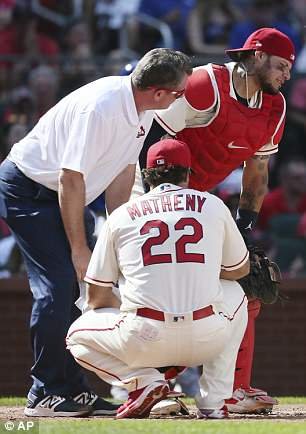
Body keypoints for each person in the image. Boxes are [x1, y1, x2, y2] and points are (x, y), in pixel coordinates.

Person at [0, 47, 192, 418]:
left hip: (66, 195)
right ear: (159, 92)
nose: (180, 98)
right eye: (179, 93)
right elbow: (69, 177)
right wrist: (79, 251)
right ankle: (45, 393)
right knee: (58, 288)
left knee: (88, 291)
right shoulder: (102, 107)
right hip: (30, 190)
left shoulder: (143, 110)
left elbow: (121, 176)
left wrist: (117, 242)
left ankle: (74, 389)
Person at [137, 27, 295, 414]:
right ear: (255, 55)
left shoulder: (275, 107)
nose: (286, 75)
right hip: (147, 193)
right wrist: (144, 204)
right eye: (280, 66)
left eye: (289, 69)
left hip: (200, 204)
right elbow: (149, 141)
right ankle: (145, 387)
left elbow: (257, 171)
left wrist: (243, 226)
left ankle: (234, 389)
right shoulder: (206, 83)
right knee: (160, 293)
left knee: (245, 290)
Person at [66, 138, 249, 419]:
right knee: (236, 294)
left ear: (147, 174)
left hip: (144, 338)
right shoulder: (212, 205)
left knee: (76, 335)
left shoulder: (122, 215)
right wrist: (199, 270)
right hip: (206, 337)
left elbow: (96, 296)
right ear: (188, 173)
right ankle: (214, 401)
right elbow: (240, 269)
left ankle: (143, 380)